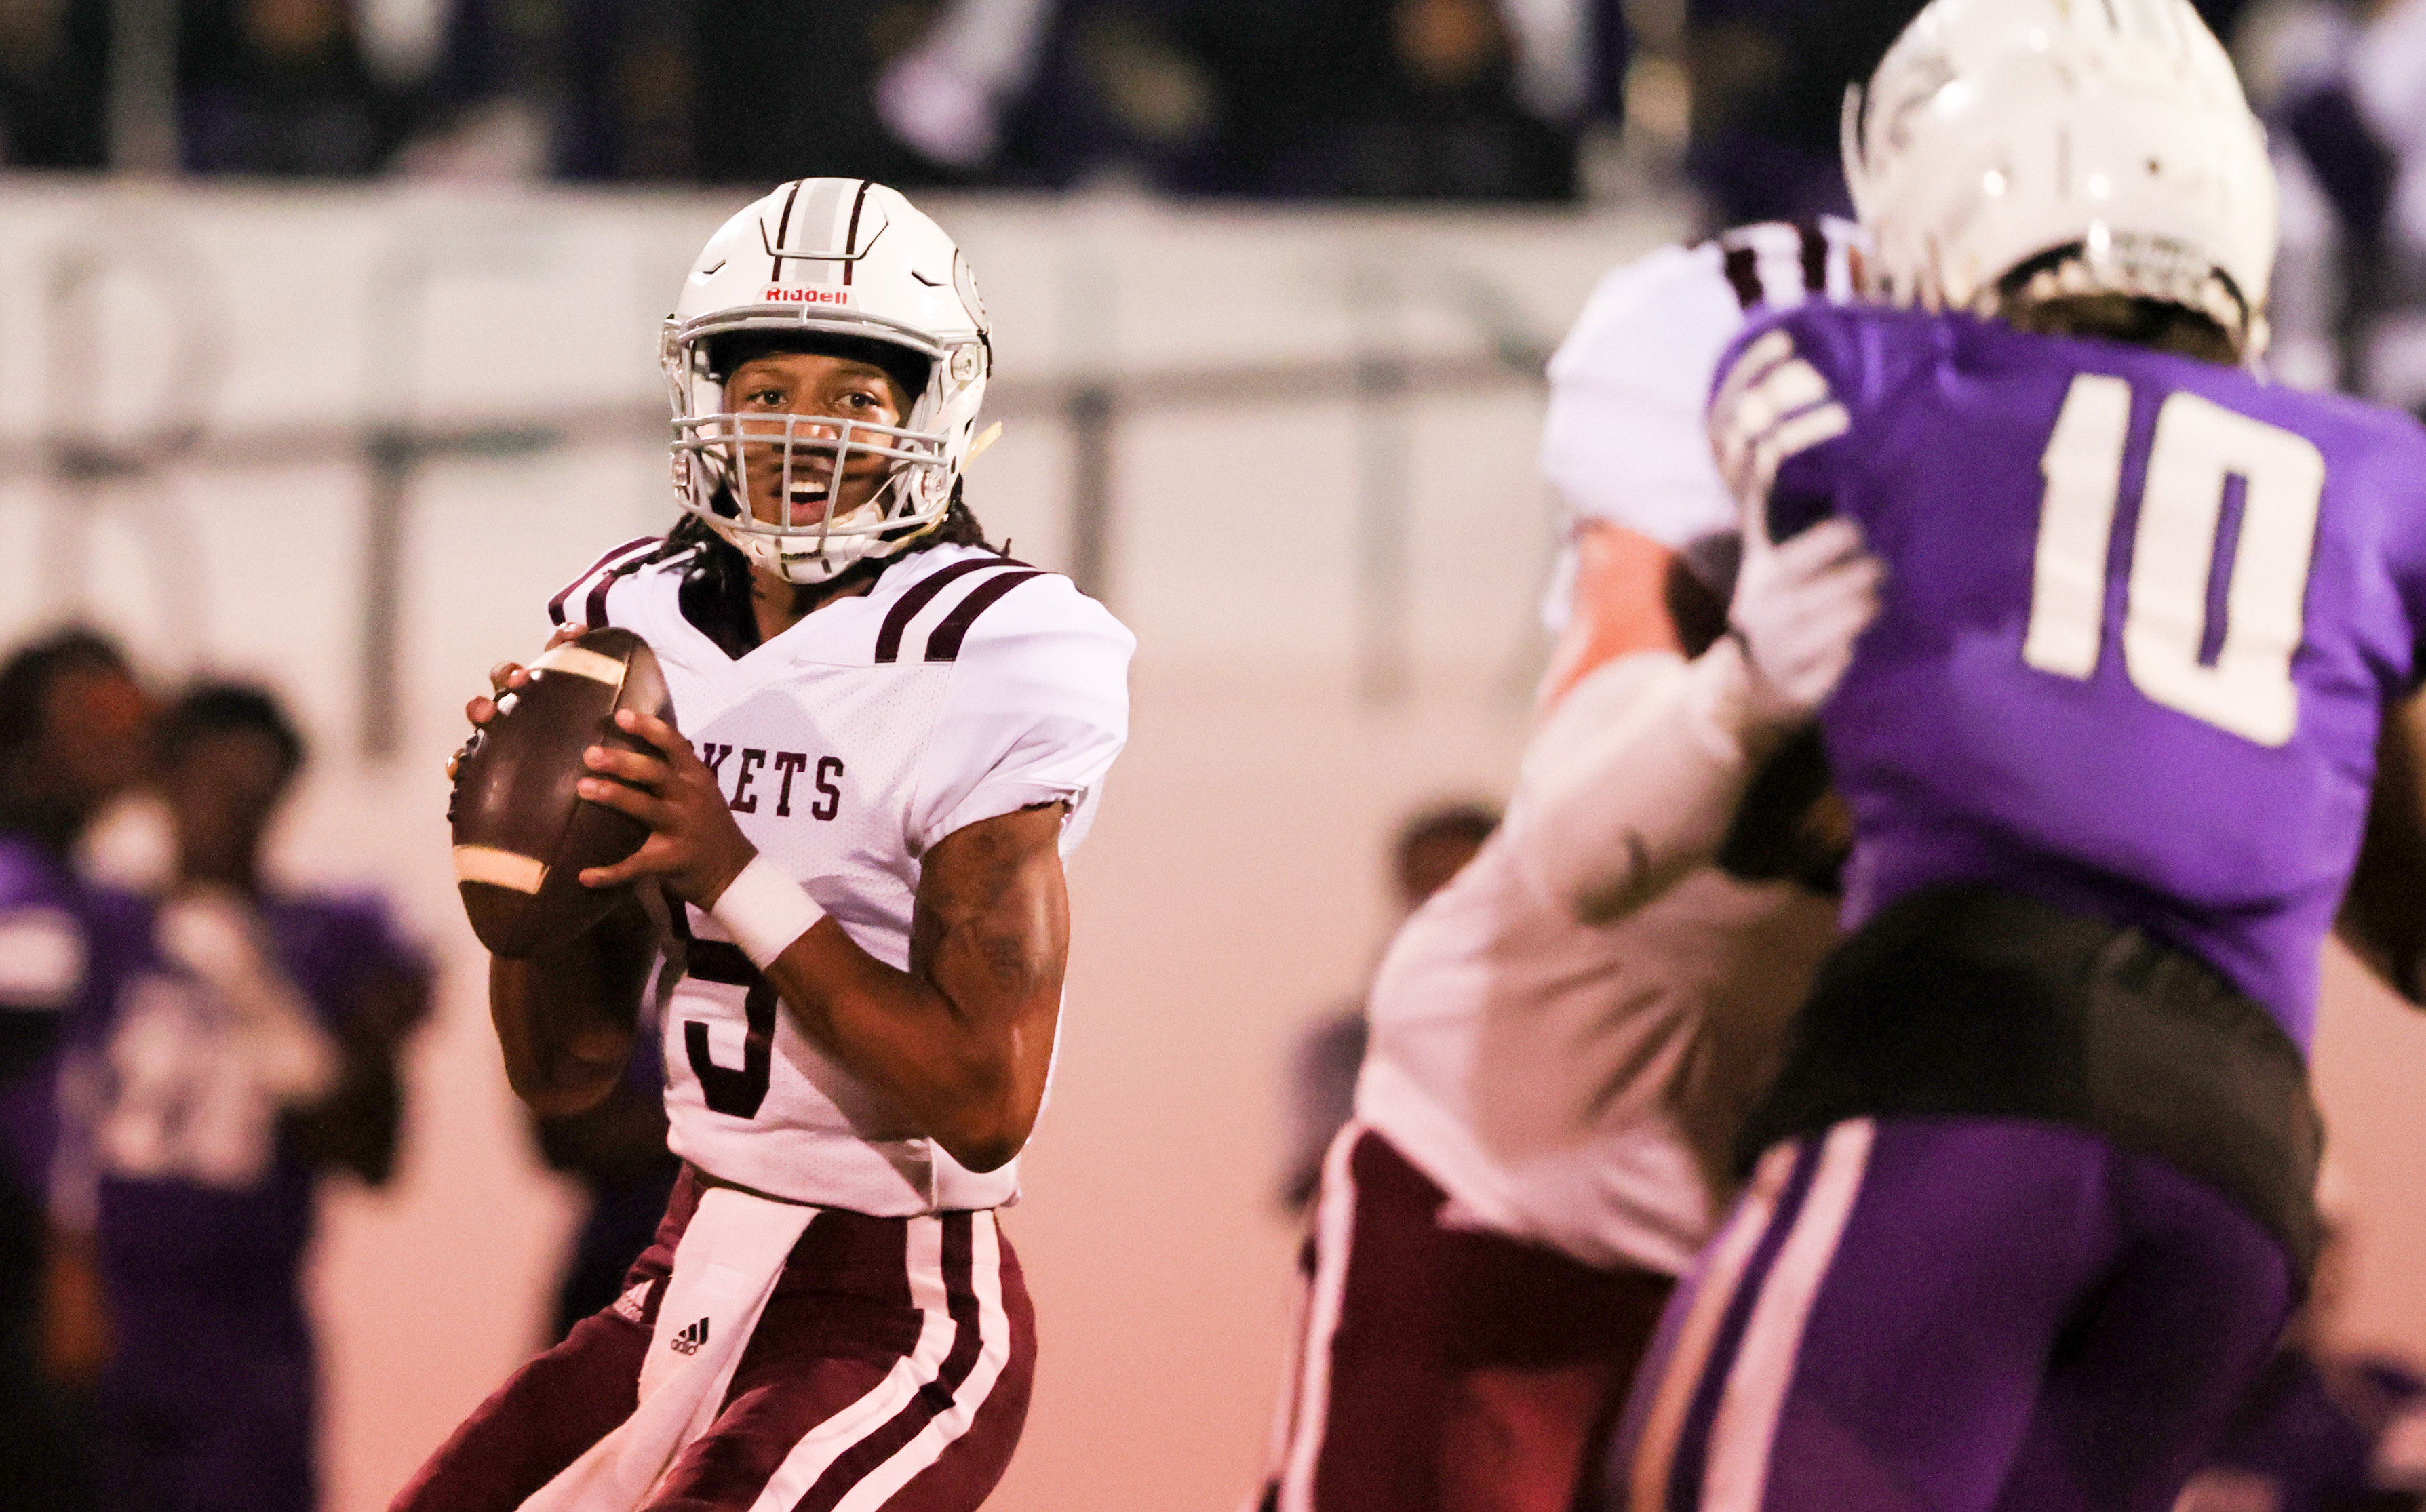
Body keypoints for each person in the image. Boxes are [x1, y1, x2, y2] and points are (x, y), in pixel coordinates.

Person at [1611, 2, 2426, 1508]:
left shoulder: (1863, 374)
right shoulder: (2378, 474)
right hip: (2241, 1162)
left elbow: (1751, 623)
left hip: (1970, 1059)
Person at [393, 177, 1133, 1512]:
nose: (802, 430)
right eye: (767, 384)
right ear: (707, 399)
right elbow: (559, 1071)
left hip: (901, 1299)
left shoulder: (988, 650)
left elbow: (980, 1102)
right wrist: (532, 868)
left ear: (933, 409)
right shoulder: (634, 618)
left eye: (854, 396)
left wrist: (727, 864)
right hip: (687, 1257)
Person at [1251, 219, 1877, 1512]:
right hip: (1485, 1188)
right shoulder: (1681, 574)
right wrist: (1750, 691)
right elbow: (1591, 843)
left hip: (1726, 1242)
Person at [58, 682, 430, 1512]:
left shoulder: (323, 938)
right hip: (96, 1310)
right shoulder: (95, 921)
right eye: (208, 783)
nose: (229, 811)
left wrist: (288, 1009)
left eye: (252, 789)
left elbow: (372, 1155)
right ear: (162, 783)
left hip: (246, 1326)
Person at [0, 627, 151, 1511]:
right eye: (95, 720)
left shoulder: (70, 880)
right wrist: (66, 1261)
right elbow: (28, 1104)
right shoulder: (23, 887)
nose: (123, 739)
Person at [1276, 800, 1500, 1214]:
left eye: (1464, 887)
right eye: (1429, 887)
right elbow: (1324, 1180)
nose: (1443, 905)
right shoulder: (1342, 1048)